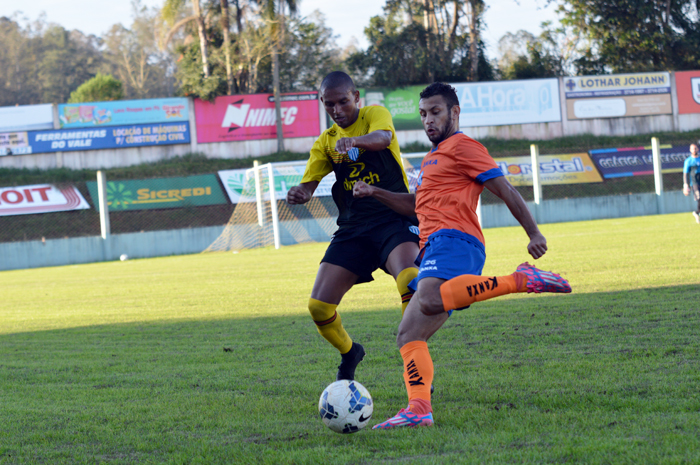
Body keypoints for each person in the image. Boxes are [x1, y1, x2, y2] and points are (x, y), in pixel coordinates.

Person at [351, 82, 571, 429]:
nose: (428, 121)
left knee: (428, 297)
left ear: (454, 112)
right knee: (408, 334)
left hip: (455, 240)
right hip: (433, 247)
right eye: (423, 114)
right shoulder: (430, 159)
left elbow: (505, 188)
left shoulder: (464, 146)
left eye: (436, 112)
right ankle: (419, 410)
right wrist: (375, 192)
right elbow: (416, 206)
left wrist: (533, 233)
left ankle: (520, 280)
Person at [286, 71, 420, 381]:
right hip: (354, 228)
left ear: (356, 97)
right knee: (318, 307)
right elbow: (309, 185)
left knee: (411, 281)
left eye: (343, 101)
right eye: (329, 104)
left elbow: (383, 138)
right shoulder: (325, 143)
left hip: (392, 218)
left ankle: (414, 361)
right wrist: (300, 193)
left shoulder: (375, 114)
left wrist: (355, 141)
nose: (337, 110)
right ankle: (350, 352)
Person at [683, 143, 700, 223]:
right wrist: (685, 184)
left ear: (698, 149)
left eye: (695, 148)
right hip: (694, 183)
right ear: (690, 150)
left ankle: (697, 213)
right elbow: (685, 173)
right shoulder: (688, 161)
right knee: (699, 199)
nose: (694, 150)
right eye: (692, 149)